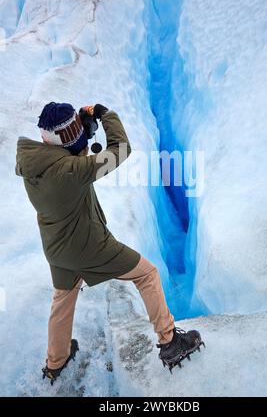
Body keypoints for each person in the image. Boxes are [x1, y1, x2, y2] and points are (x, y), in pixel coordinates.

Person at [15, 102, 203, 383]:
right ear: (66, 138)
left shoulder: (33, 165)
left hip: (57, 249)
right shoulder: (72, 170)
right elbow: (121, 149)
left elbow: (63, 157)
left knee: (63, 299)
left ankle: (57, 360)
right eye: (75, 130)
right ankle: (169, 342)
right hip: (89, 247)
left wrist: (77, 140)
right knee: (147, 274)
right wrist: (104, 115)